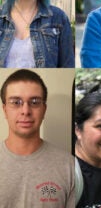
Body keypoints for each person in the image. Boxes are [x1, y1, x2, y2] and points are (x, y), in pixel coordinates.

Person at [0, 69, 74, 207]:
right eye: (16, 102)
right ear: (5, 109)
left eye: (34, 102)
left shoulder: (69, 166)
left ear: (44, 109)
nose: (25, 111)